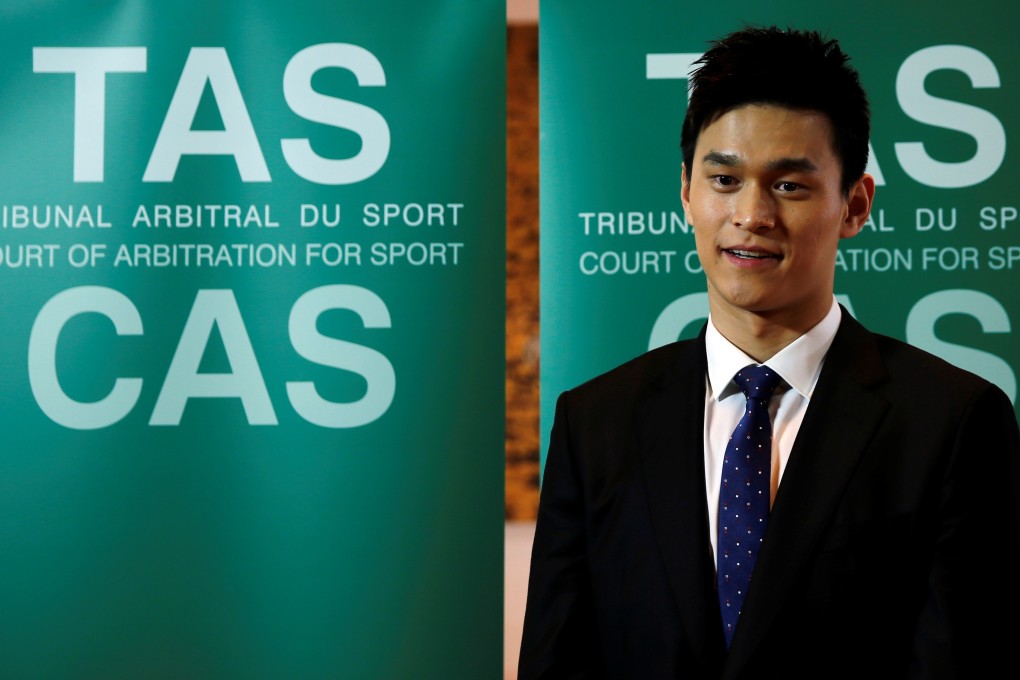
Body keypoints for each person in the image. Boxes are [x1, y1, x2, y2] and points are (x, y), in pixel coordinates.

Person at [519, 25, 1020, 679]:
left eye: (789, 186)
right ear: (686, 194)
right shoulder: (597, 422)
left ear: (855, 204)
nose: (751, 214)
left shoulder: (953, 422)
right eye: (724, 179)